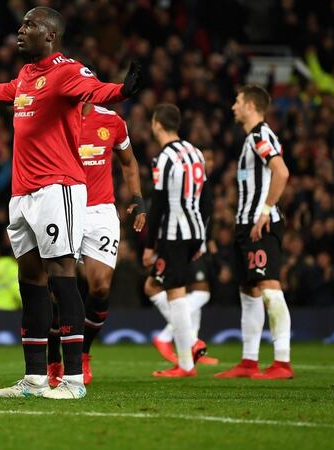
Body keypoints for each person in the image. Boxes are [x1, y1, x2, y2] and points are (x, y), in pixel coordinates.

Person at [0, 6, 141, 399]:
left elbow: (96, 89)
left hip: (58, 189)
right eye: (22, 24)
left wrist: (121, 91)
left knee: (61, 276)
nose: (21, 31)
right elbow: (8, 92)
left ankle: (72, 380)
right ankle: (35, 377)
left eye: (30, 25)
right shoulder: (27, 75)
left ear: (51, 35)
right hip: (22, 194)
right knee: (31, 280)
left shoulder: (67, 70)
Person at [46, 102, 146, 387]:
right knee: (58, 292)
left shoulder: (112, 121)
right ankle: (54, 360)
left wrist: (138, 199)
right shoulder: (54, 117)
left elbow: (128, 162)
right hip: (64, 207)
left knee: (101, 286)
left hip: (101, 211)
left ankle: (84, 352)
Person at [215, 85, 293, 380]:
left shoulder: (261, 135)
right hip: (246, 224)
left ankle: (282, 362)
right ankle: (249, 361)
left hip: (262, 223)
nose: (233, 106)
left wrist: (264, 211)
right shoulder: (251, 138)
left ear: (249, 105)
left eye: (237, 101)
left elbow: (282, 171)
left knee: (270, 287)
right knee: (249, 290)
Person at [142, 104, 208, 378]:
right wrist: (202, 237)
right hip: (195, 230)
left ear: (157, 124)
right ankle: (189, 348)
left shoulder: (164, 158)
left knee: (175, 292)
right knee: (156, 285)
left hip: (174, 233)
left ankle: (186, 361)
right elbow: (207, 198)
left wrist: (149, 244)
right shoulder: (196, 153)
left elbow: (157, 204)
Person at [148, 148, 218, 366]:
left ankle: (190, 347)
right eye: (206, 158)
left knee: (188, 291)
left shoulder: (196, 182)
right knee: (195, 291)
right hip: (183, 240)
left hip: (188, 240)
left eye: (211, 158)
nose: (209, 162)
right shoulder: (187, 180)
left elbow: (207, 210)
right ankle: (182, 340)